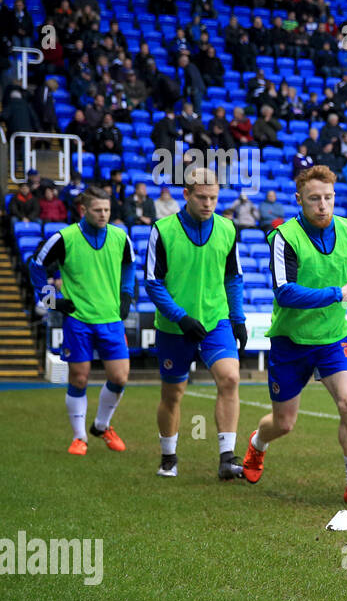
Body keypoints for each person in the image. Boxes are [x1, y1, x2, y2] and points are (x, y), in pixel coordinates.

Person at [240, 166, 347, 506]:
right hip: (291, 341)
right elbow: (285, 293)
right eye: (314, 199)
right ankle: (258, 444)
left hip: (333, 338)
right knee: (284, 423)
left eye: (328, 198)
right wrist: (340, 293)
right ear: (299, 200)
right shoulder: (284, 237)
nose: (323, 205)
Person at [146, 168, 246, 479]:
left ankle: (227, 458)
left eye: (214, 198)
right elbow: (153, 283)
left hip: (216, 321)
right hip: (175, 327)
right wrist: (181, 317)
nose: (208, 203)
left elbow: (233, 277)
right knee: (173, 393)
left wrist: (238, 318)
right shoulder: (162, 230)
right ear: (186, 195)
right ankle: (169, 455)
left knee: (230, 378)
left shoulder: (228, 229)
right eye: (201, 197)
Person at [29, 186, 134, 455]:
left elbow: (129, 266)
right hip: (78, 320)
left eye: (107, 210)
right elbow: (36, 266)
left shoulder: (121, 237)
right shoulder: (64, 238)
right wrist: (52, 301)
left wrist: (126, 296)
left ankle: (101, 425)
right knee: (79, 378)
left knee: (120, 377)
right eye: (98, 210)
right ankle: (79, 438)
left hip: (111, 319)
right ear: (83, 210)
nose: (103, 215)